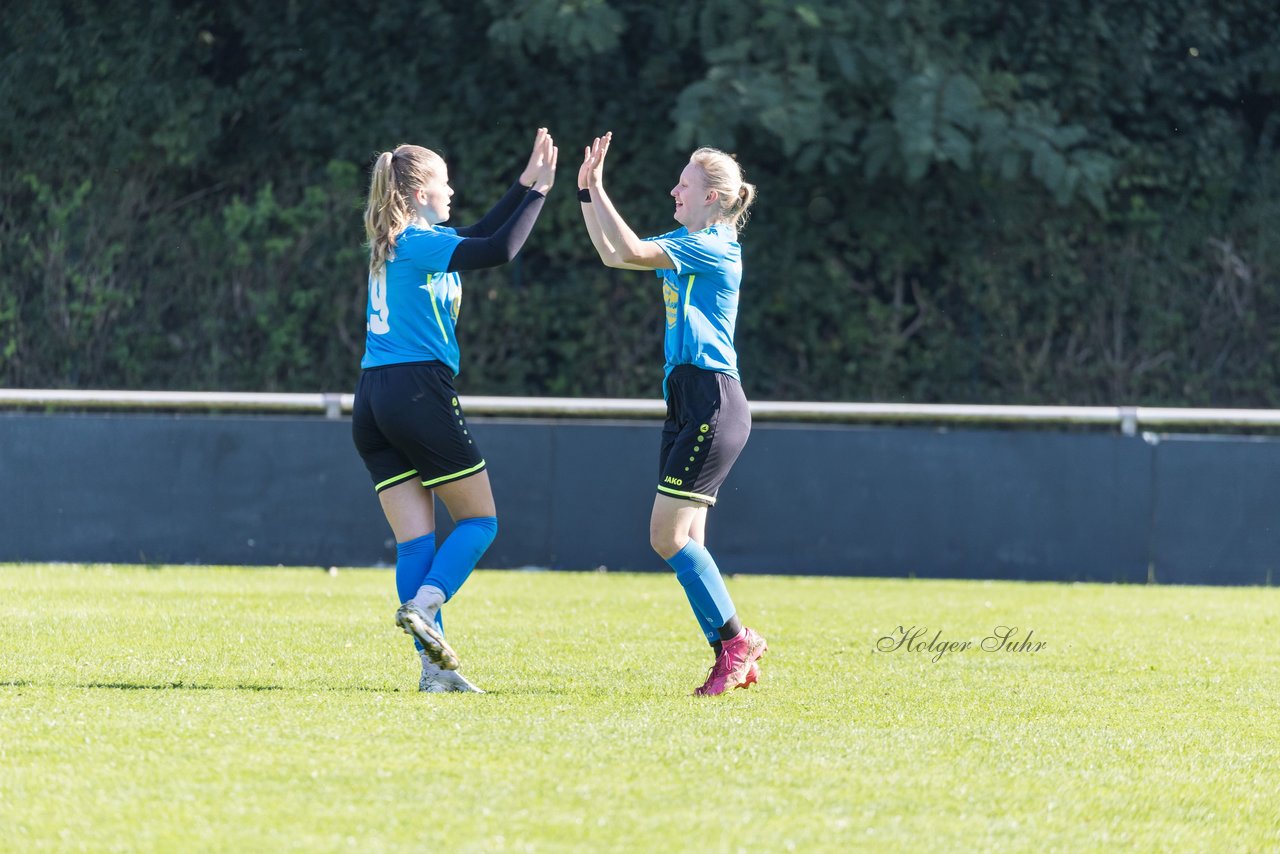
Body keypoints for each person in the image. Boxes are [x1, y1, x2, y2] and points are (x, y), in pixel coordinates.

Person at [353, 129, 557, 693]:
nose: (453, 189)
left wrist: (526, 182)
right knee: (480, 521)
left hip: (372, 398)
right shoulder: (419, 244)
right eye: (444, 181)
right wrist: (539, 195)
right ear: (420, 192)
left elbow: (482, 232)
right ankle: (426, 602)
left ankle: (433, 673)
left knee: (417, 542)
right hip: (416, 392)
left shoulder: (400, 242)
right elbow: (499, 248)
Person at [577, 132, 766, 696]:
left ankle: (737, 642)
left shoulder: (713, 246)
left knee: (667, 536)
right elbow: (615, 253)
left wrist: (600, 186)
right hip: (687, 399)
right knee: (686, 541)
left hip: (712, 399)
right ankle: (731, 654)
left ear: (712, 197)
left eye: (683, 184)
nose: (673, 191)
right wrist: (588, 193)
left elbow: (631, 251)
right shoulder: (688, 240)